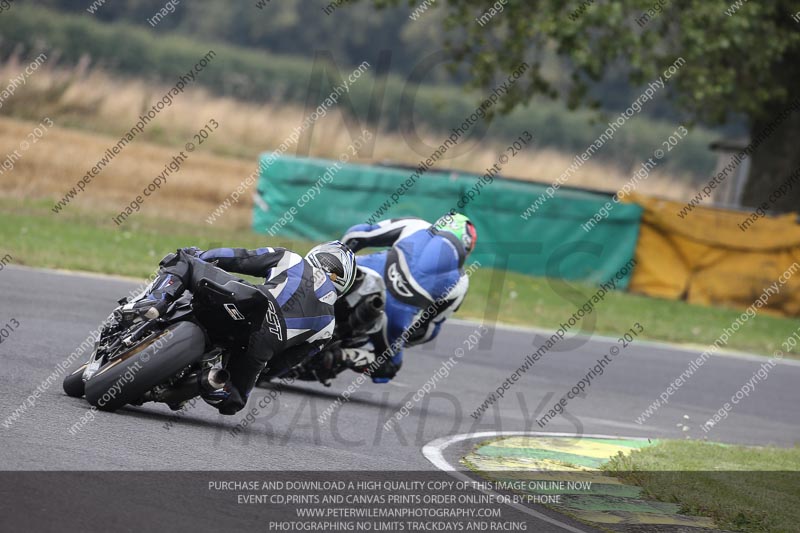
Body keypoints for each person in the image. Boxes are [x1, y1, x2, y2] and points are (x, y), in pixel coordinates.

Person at [121, 241, 356, 414]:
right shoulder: (329, 326)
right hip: (260, 346)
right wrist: (256, 366)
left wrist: (201, 255)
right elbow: (281, 366)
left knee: (184, 259)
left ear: (317, 254)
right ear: (344, 282)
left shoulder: (293, 259)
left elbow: (240, 258)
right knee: (234, 400)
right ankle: (211, 380)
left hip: (246, 301)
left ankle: (155, 302)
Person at [333, 213, 477, 383]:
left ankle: (307, 280)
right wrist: (399, 337)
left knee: (322, 270)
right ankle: (345, 355)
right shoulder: (461, 281)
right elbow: (429, 330)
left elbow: (359, 233)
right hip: (393, 317)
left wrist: (337, 257)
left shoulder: (416, 225)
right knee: (389, 367)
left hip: (364, 272)